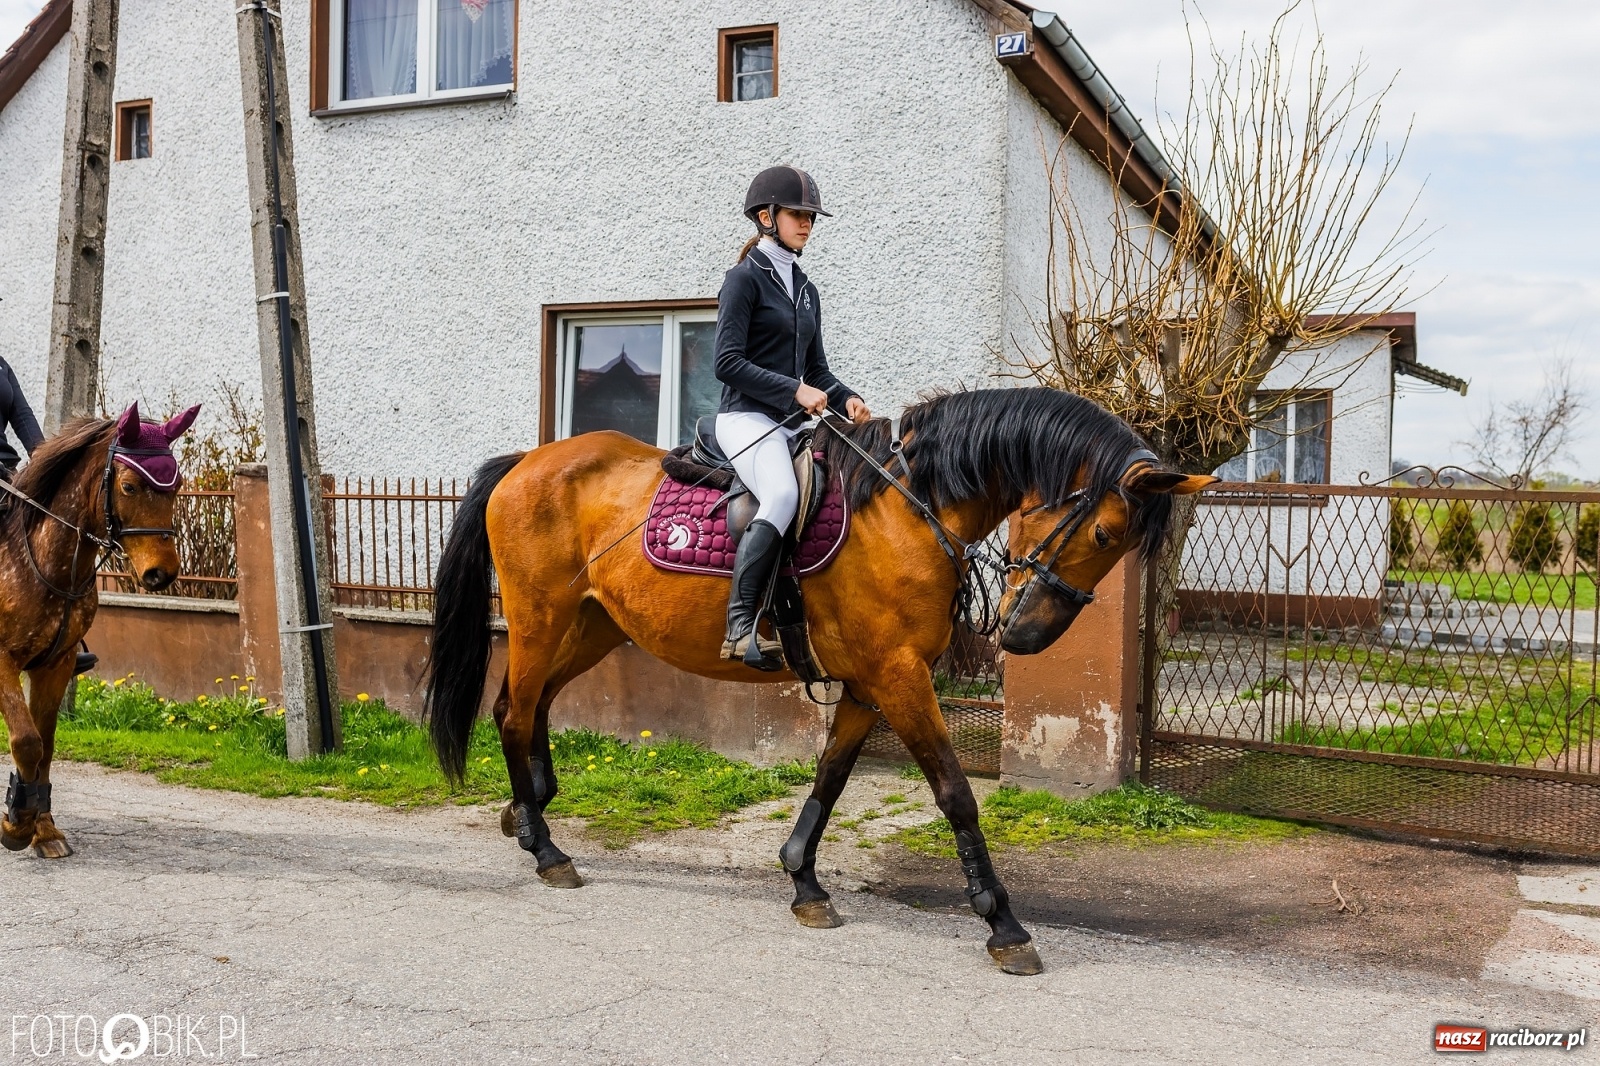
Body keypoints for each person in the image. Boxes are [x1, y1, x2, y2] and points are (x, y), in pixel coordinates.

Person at [712, 166, 870, 670]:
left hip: (792, 422)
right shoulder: (743, 280)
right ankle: (739, 626)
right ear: (766, 217)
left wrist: (846, 398)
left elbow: (818, 370)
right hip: (746, 420)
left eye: (811, 217)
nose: (807, 224)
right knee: (781, 494)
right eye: (797, 214)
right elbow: (726, 363)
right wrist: (793, 389)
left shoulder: (805, 289)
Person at [0, 350, 96, 677]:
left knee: (51, 533)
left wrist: (45, 466)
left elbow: (22, 416)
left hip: (6, 474)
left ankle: (58, 640)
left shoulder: (2, 363)